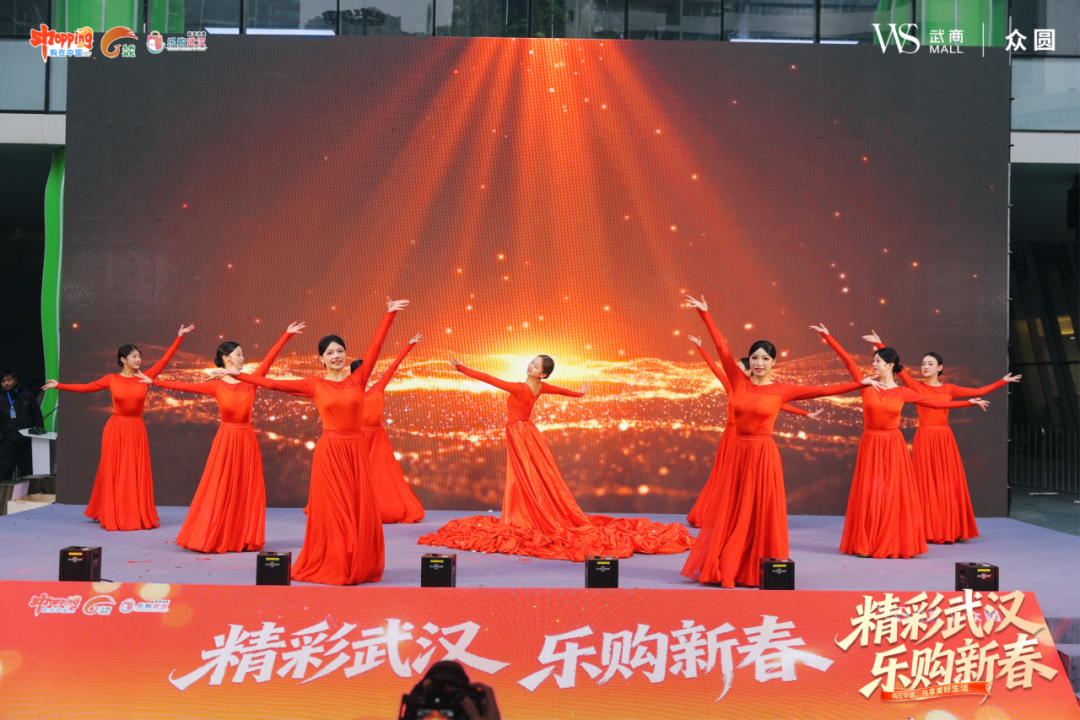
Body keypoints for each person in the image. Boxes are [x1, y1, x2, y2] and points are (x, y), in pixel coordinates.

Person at [680, 296, 877, 588]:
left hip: (763, 454)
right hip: (738, 452)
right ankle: (726, 563)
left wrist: (860, 384)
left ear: (773, 362)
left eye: (765, 358)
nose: (759, 363)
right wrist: (705, 313)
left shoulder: (782, 389)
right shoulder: (737, 380)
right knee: (732, 509)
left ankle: (754, 565)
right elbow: (722, 347)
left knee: (758, 511)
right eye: (755, 358)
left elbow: (822, 390)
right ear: (750, 361)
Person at [419, 354, 695, 561]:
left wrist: (462, 368)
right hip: (525, 432)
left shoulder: (522, 388)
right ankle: (526, 511)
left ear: (542, 374)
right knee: (528, 476)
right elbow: (564, 391)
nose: (531, 366)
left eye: (536, 366)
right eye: (531, 362)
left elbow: (490, 379)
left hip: (520, 434)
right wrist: (581, 393)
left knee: (524, 477)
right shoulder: (539, 388)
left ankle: (528, 514)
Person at [217, 298, 408, 585]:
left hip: (356, 451)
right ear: (321, 358)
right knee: (335, 510)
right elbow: (275, 384)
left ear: (346, 354)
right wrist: (240, 375)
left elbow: (376, 348)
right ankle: (336, 560)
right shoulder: (314, 384)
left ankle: (357, 560)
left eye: (340, 351)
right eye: (330, 352)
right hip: (330, 452)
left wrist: (388, 315)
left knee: (358, 508)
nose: (336, 356)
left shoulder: (358, 379)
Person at [810, 325, 989, 559]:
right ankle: (866, 541)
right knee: (869, 491)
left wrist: (968, 403)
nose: (873, 364)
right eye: (873, 361)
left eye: (878, 361)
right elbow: (847, 360)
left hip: (893, 445)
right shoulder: (866, 385)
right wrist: (827, 335)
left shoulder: (903, 392)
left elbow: (936, 404)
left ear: (890, 365)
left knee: (892, 492)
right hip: (871, 443)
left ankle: (891, 540)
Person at [136, 322, 305, 553]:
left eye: (242, 354)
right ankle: (216, 533)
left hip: (246, 440)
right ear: (226, 358)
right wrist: (154, 381)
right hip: (226, 440)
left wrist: (287, 335)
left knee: (245, 488)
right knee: (221, 486)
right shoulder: (216, 386)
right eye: (239, 354)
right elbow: (184, 387)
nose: (243, 358)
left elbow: (269, 360)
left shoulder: (251, 381)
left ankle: (242, 536)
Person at [863, 332, 1019, 543]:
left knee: (947, 482)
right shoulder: (916, 386)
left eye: (930, 363)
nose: (925, 367)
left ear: (940, 368)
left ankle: (949, 527)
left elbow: (980, 390)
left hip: (945, 438)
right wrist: (880, 344)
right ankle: (924, 529)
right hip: (925, 436)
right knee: (924, 483)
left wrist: (1002, 381)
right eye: (923, 363)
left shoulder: (949, 388)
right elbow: (893, 365)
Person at [43, 325, 194, 530]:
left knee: (134, 471)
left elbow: (164, 360)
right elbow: (86, 388)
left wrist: (179, 338)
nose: (138, 359)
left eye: (139, 356)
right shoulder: (111, 379)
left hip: (136, 428)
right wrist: (59, 385)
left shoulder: (145, 377)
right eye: (134, 356)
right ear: (123, 359)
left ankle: (133, 512)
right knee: (114, 470)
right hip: (116, 429)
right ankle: (111, 511)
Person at [684, 337, 821, 528]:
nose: (735, 371)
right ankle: (715, 514)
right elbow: (715, 368)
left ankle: (740, 517)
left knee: (742, 481)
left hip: (746, 439)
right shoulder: (732, 385)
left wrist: (805, 413)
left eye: (740, 368)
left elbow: (780, 404)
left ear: (749, 371)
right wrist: (700, 347)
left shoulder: (755, 389)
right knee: (722, 477)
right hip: (731, 436)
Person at [353, 332, 425, 524]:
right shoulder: (350, 392)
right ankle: (356, 508)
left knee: (382, 474)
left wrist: (409, 346)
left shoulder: (378, 387)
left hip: (378, 437)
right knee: (358, 473)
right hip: (359, 437)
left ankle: (380, 508)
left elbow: (393, 367)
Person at [0, 370, 44, 480]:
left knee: (28, 471)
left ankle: (26, 491)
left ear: (15, 380)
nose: (6, 383)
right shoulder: (1, 398)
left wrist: (38, 434)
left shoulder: (28, 395)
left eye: (9, 380)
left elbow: (37, 416)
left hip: (28, 440)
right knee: (4, 471)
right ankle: (4, 491)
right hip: (9, 440)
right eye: (3, 381)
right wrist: (2, 438)